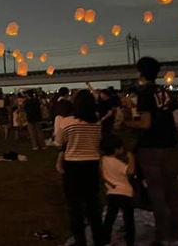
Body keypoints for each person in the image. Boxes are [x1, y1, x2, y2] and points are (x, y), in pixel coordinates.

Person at [125, 57, 178, 246]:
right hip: (168, 144)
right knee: (172, 189)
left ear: (141, 72)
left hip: (151, 146)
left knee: (157, 192)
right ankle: (177, 230)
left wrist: (126, 122)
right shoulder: (163, 91)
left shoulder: (145, 93)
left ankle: (161, 235)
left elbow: (146, 123)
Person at [55, 90, 104, 246]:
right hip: (92, 165)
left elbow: (58, 142)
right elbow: (98, 143)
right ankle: (98, 240)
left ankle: (80, 241)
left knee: (74, 208)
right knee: (93, 206)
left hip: (72, 166)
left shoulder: (66, 122)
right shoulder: (97, 123)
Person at [101, 135, 136, 246]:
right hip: (124, 192)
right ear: (116, 149)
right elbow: (130, 171)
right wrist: (131, 158)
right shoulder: (117, 163)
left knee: (110, 216)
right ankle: (130, 240)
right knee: (128, 218)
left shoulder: (103, 160)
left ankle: (105, 238)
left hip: (112, 192)